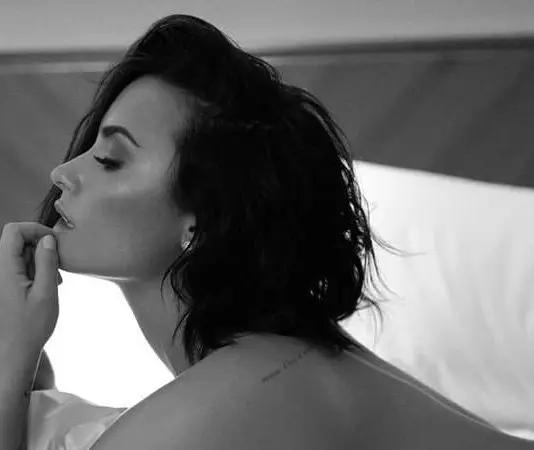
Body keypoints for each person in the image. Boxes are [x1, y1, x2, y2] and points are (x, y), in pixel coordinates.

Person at [10, 13, 533, 449]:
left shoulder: (216, 411)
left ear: (205, 218)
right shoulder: (296, 367)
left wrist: (10, 359)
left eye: (109, 159)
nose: (62, 172)